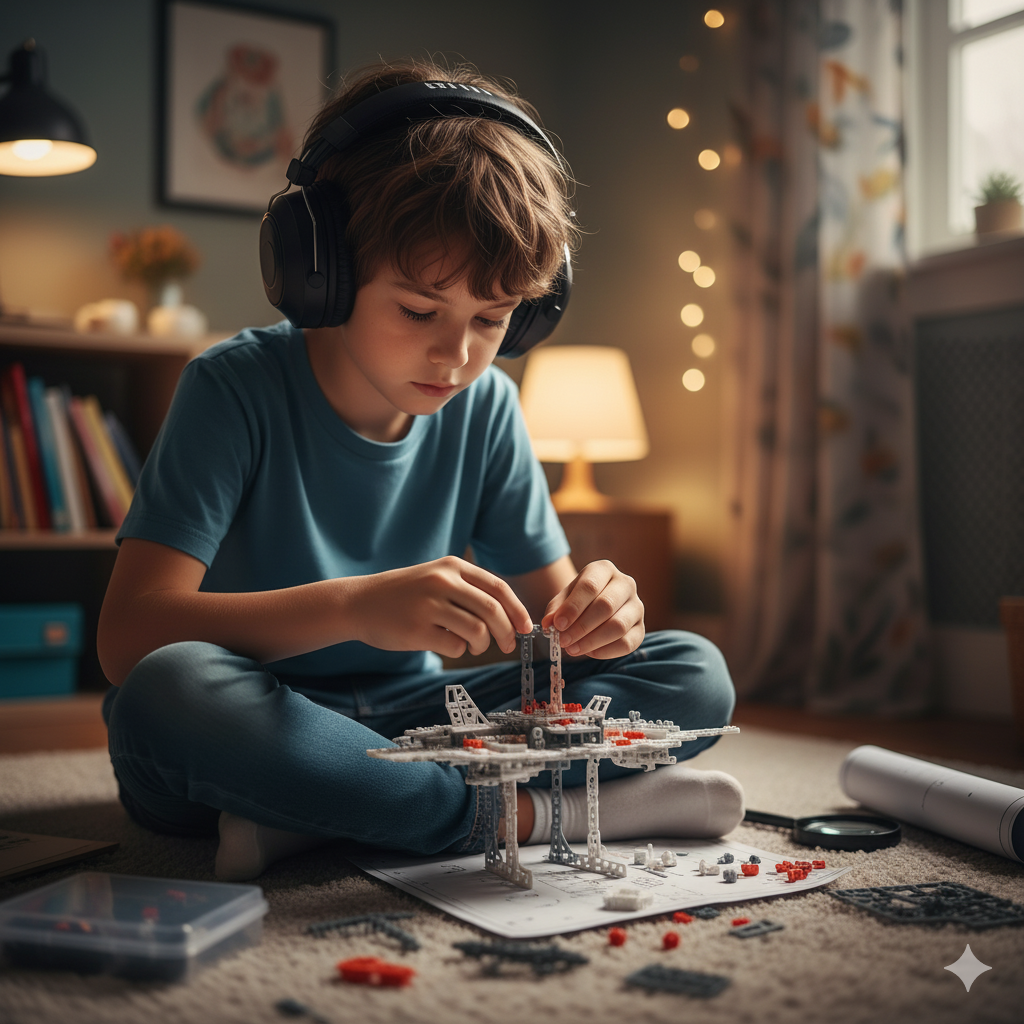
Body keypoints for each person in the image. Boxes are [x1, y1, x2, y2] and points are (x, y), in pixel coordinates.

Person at [96, 58, 742, 882]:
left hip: (424, 723)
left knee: (694, 671)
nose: (458, 354)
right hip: (263, 713)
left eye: (493, 318)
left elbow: (550, 629)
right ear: (321, 272)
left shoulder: (490, 408)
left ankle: (331, 813)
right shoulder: (231, 387)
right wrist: (356, 606)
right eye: (417, 309)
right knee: (168, 690)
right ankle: (533, 815)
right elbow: (126, 640)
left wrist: (603, 615)